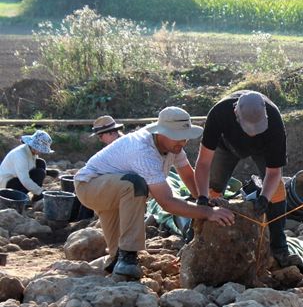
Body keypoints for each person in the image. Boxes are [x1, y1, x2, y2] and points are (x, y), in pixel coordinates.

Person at [74, 107, 235, 279]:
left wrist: (203, 200)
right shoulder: (143, 151)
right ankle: (128, 255)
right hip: (91, 187)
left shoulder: (173, 146)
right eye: (177, 137)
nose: (182, 142)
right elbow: (166, 202)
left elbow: (187, 173)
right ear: (161, 133)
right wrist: (208, 213)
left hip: (113, 187)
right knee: (136, 185)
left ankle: (119, 262)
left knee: (117, 262)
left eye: (185, 137)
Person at [194, 90, 301, 268]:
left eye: (256, 128)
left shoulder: (274, 120)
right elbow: (203, 163)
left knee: (277, 190)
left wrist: (264, 198)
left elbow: (274, 173)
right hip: (226, 146)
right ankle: (198, 236)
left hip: (262, 149)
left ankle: (279, 245)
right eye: (248, 128)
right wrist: (202, 197)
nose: (252, 133)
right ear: (236, 113)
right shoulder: (219, 113)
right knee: (213, 189)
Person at [0, 129, 53, 201]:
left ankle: (36, 197)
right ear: (34, 146)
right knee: (39, 173)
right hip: (7, 184)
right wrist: (41, 191)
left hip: (17, 178)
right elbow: (25, 179)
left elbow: (31, 166)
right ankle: (22, 196)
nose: (41, 152)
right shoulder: (20, 155)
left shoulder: (31, 151)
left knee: (40, 163)